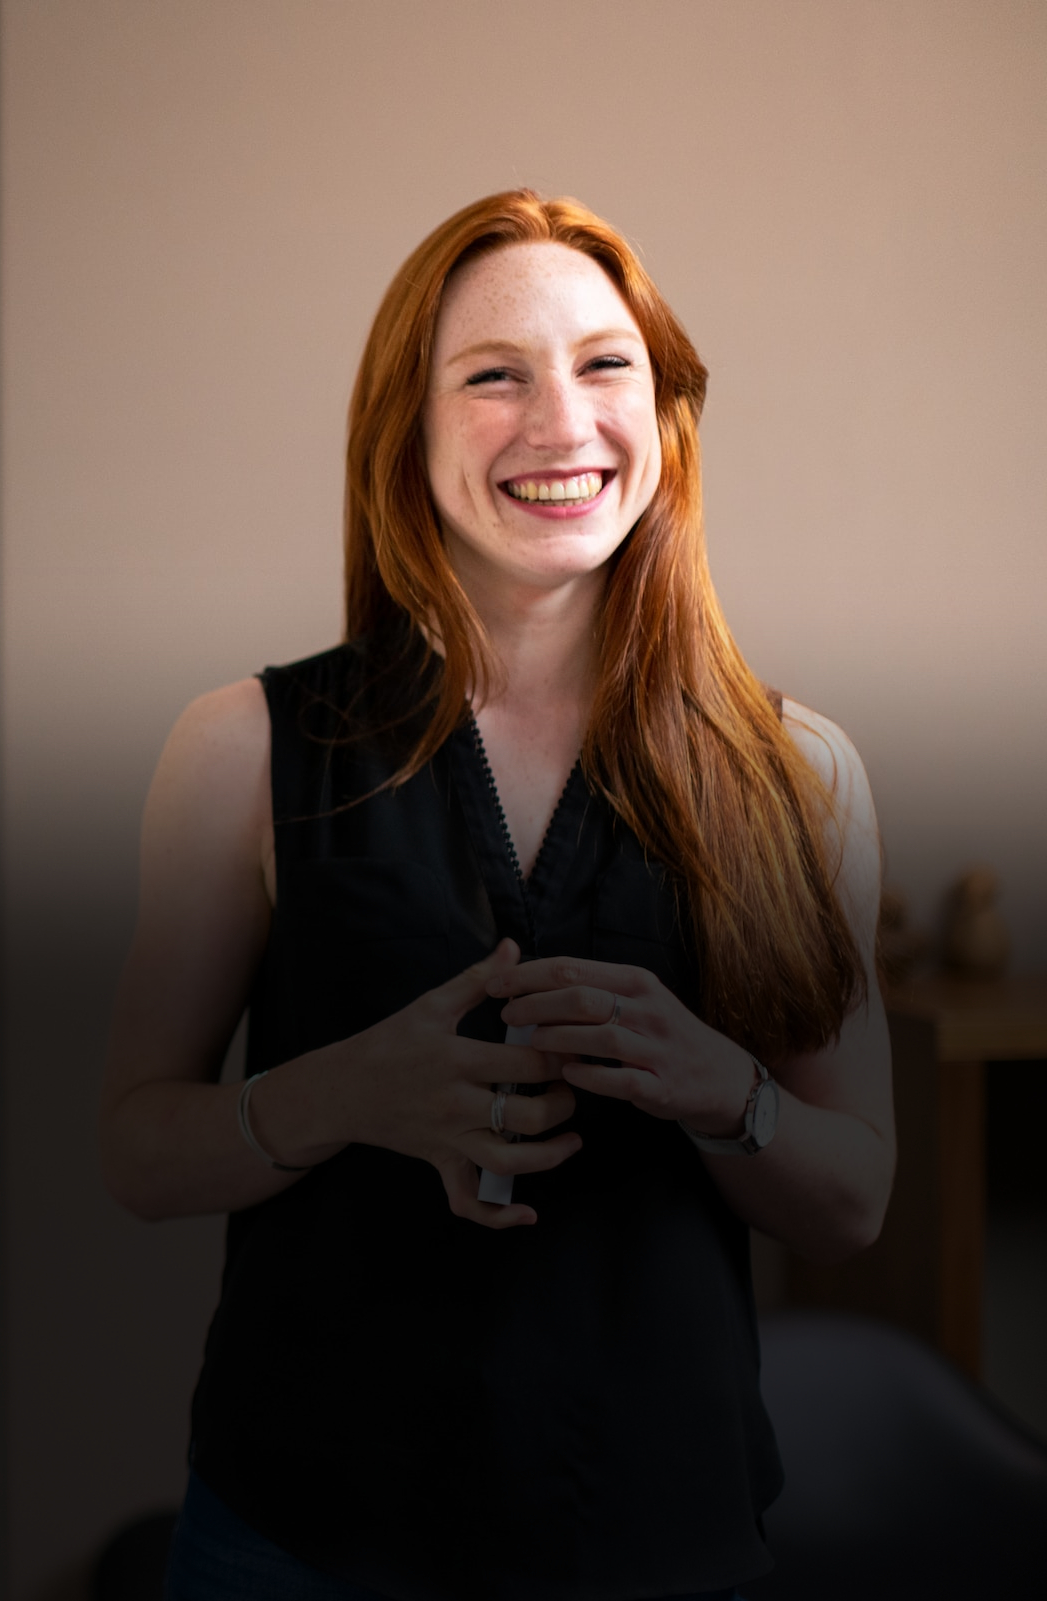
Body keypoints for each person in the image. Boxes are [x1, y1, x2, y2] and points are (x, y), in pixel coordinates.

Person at [100, 191, 891, 1600]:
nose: (561, 419)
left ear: (666, 413)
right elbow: (139, 1150)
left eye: (604, 365)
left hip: (670, 1549)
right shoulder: (239, 749)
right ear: (405, 431)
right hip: (298, 1549)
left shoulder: (804, 772)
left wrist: (721, 1086)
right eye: (493, 376)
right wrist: (347, 1092)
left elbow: (854, 1199)